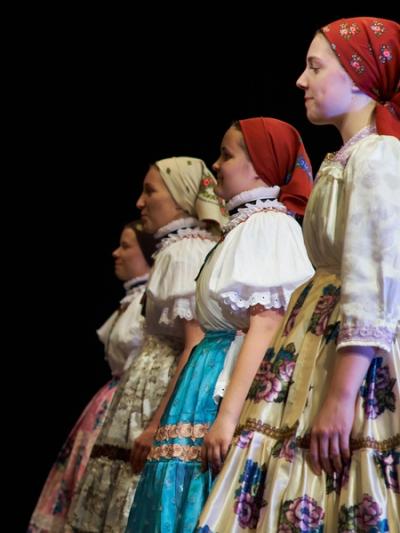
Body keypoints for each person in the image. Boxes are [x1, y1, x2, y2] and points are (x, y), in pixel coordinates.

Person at [197, 17, 400, 532]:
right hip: (313, 344)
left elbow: (375, 279)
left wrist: (340, 396)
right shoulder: (344, 159)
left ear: (358, 74)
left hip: (350, 356)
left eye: (315, 67)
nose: (301, 80)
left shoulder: (378, 156)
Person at [126, 118, 314, 532]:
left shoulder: (267, 226)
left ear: (259, 165)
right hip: (206, 377)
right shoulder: (246, 225)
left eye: (226, 155)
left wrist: (228, 418)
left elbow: (266, 323)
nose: (216, 165)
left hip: (226, 384)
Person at [68, 157, 224, 532]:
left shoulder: (184, 251)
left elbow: (193, 343)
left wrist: (157, 423)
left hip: (161, 391)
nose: (140, 202)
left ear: (181, 198)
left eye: (150, 191)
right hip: (151, 385)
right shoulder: (181, 247)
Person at [28, 220, 155, 532]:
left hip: (132, 405)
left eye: (126, 247)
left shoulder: (150, 302)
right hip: (108, 402)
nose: (116, 253)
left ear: (149, 253)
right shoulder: (131, 300)